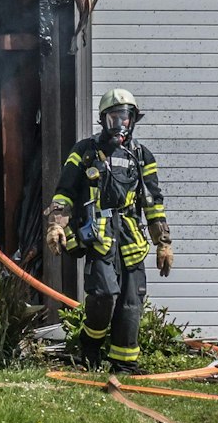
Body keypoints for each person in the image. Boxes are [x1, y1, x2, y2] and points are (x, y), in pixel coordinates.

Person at [46, 88, 172, 375]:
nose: (121, 123)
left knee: (131, 302)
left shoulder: (142, 156)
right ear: (104, 119)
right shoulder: (85, 151)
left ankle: (124, 364)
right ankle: (89, 346)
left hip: (130, 237)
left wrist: (164, 243)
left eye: (126, 117)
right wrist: (56, 225)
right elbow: (64, 193)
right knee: (103, 296)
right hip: (100, 236)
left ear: (133, 120)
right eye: (115, 117)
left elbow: (153, 204)